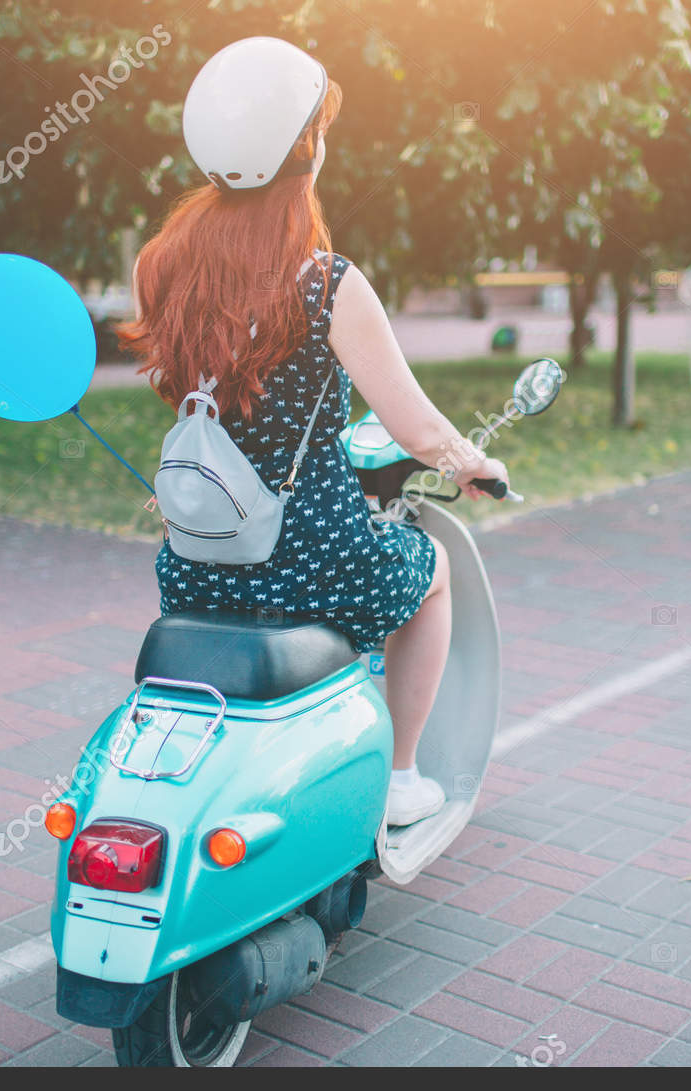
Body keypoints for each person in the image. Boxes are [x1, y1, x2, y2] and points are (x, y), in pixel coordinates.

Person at [117, 37, 510, 827]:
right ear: (306, 148)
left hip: (197, 560)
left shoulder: (161, 263)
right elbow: (415, 423)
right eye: (320, 130)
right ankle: (399, 777)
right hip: (312, 556)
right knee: (431, 571)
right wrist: (472, 462)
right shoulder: (324, 281)